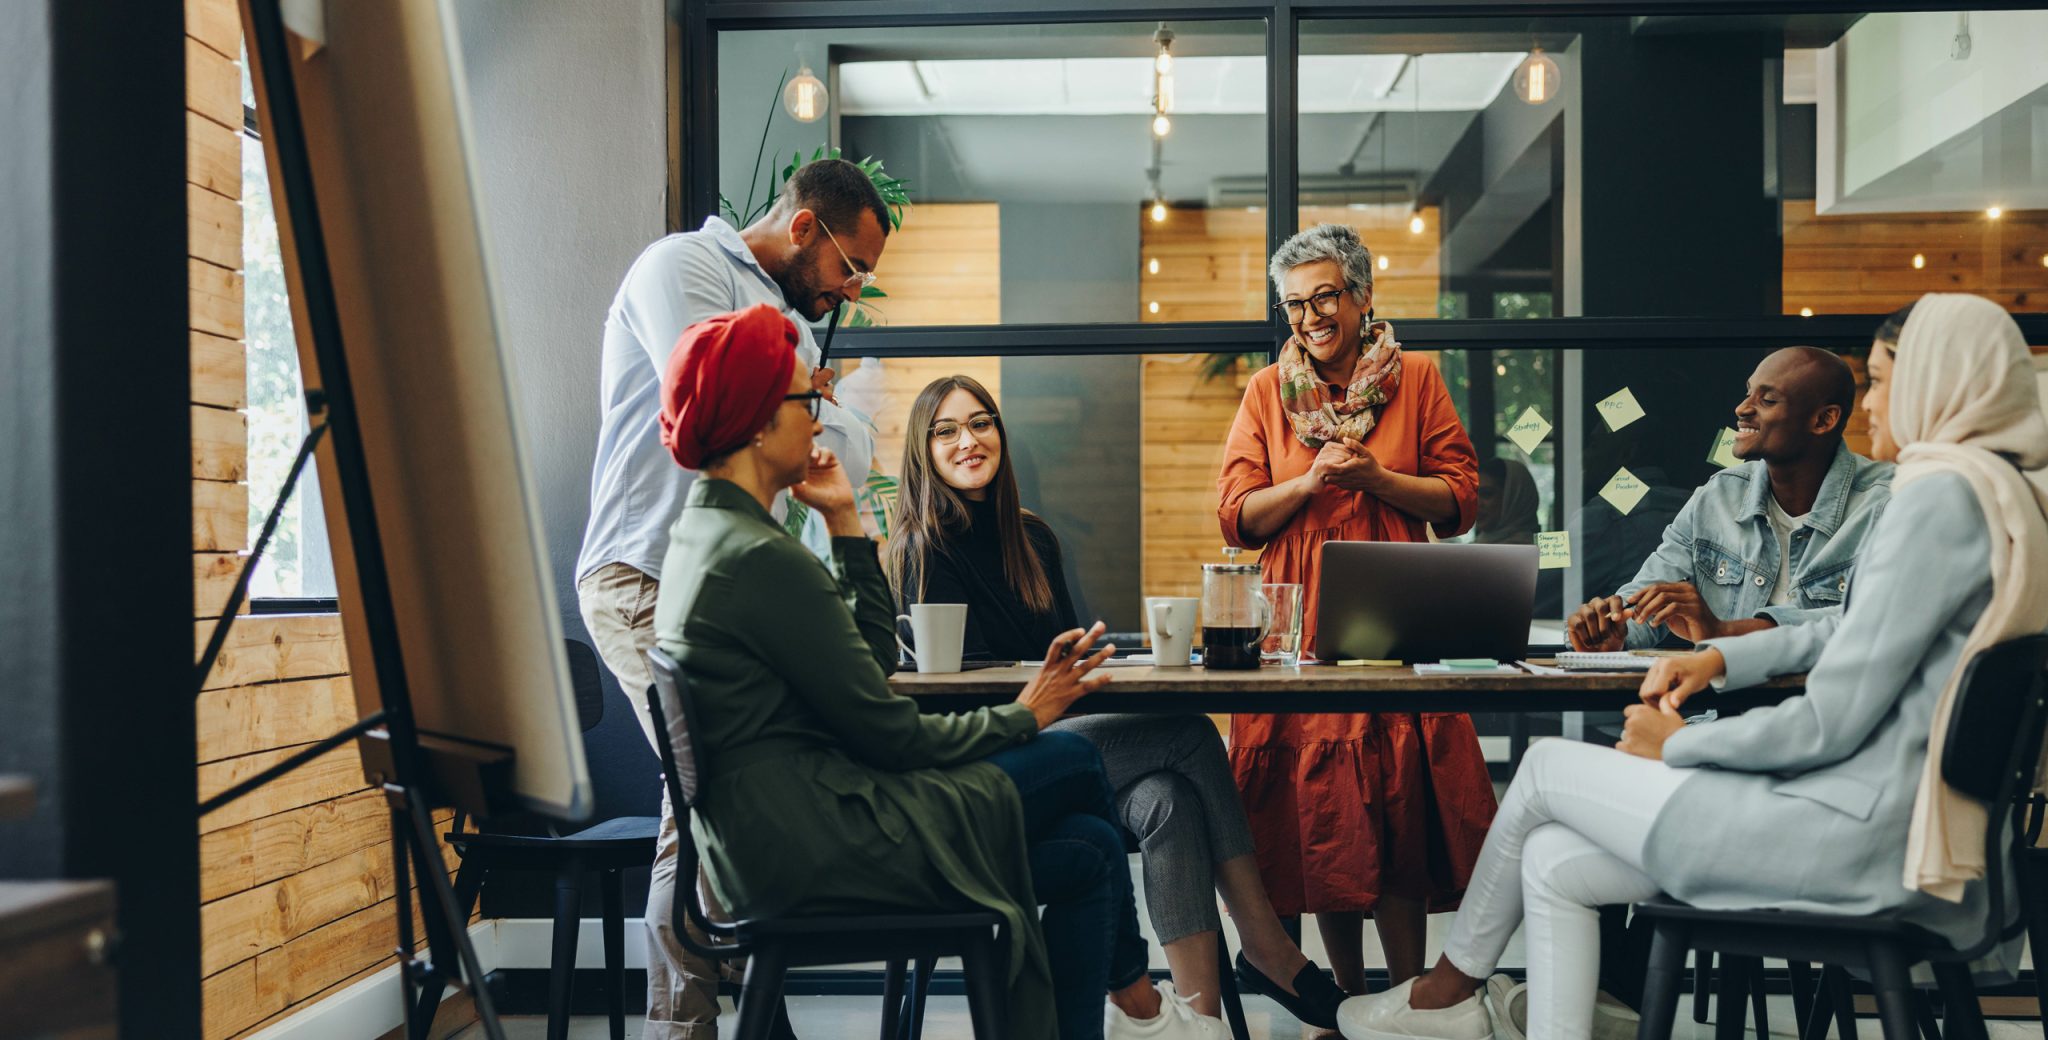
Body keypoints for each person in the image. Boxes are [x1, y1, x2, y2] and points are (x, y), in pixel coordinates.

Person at [1334, 293, 2048, 1040]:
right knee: (1549, 857)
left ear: (1940, 375)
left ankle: (1442, 997)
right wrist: (1718, 654)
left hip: (1851, 835)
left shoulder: (1932, 498)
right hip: (1888, 823)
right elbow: (1847, 630)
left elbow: (1831, 719)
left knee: (1543, 769)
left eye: (1882, 378)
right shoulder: (2005, 496)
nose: (1876, 402)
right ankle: (1487, 1013)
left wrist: (1679, 745)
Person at [653, 304, 1217, 1040]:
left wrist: (847, 525)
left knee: (1091, 848)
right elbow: (888, 731)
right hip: (820, 846)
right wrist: (1027, 714)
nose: (819, 415)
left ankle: (1134, 1011)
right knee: (1076, 755)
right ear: (759, 421)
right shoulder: (759, 560)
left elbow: (870, 662)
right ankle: (1142, 1005)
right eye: (804, 397)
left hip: (777, 842)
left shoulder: (711, 537)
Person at [887, 375, 1349, 1031]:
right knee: (1189, 735)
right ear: (923, 450)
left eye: (982, 423)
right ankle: (1269, 947)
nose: (970, 440)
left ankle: (1197, 1016)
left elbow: (1065, 666)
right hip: (992, 763)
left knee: (1170, 798)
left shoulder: (1031, 538)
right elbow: (965, 701)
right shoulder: (919, 548)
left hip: (1061, 745)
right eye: (948, 430)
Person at [571, 159, 886, 1037]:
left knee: (720, 793)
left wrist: (810, 393)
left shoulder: (788, 317)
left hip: (718, 591)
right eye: (849, 266)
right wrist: (808, 388)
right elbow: (727, 404)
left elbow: (843, 458)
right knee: (702, 794)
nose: (853, 289)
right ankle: (693, 1028)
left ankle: (748, 1018)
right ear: (803, 229)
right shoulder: (681, 266)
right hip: (642, 576)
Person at [1216, 223, 1493, 993]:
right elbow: (1235, 515)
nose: (1310, 318)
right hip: (1297, 617)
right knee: (1317, 806)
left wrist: (1375, 479)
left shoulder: (1419, 378)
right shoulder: (1268, 392)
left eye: (1325, 297)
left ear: (1363, 297)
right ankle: (1345, 1000)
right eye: (1295, 305)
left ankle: (1404, 998)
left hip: (1395, 601)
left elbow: (1460, 500)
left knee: (1396, 798)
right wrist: (1306, 485)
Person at [1568, 345, 1892, 652]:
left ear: (1823, 420)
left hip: (1827, 709)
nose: (1742, 408)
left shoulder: (1887, 504)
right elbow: (1649, 595)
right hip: (1717, 710)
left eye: (1767, 400)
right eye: (1748, 392)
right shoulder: (1718, 496)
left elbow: (1875, 621)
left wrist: (1723, 632)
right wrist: (1614, 628)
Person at [1474, 456, 1541, 546]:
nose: (1476, 504)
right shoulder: (1474, 548)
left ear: (1515, 498)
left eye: (1487, 494)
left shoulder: (1543, 555)